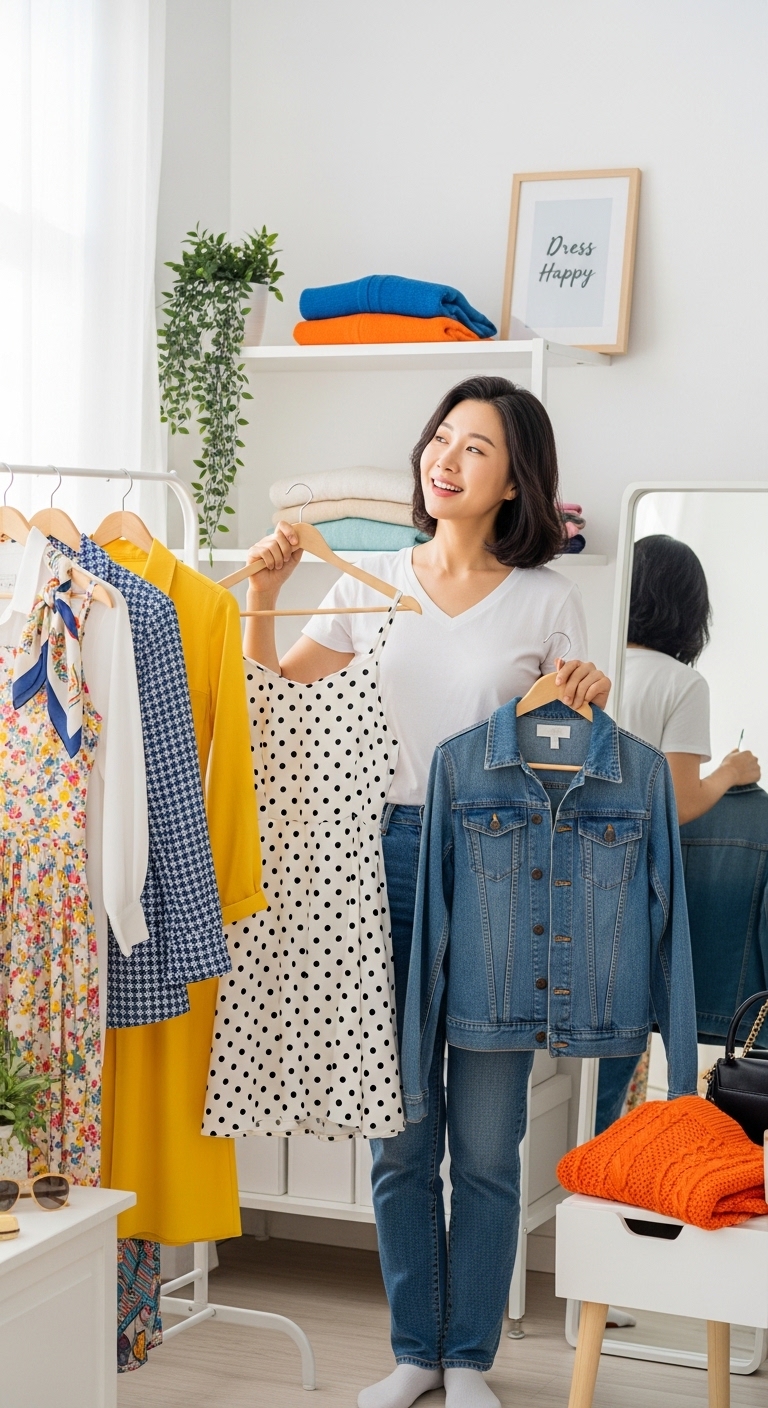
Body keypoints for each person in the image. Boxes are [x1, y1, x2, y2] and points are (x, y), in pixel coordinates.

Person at [243, 376, 610, 1408]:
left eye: (476, 447)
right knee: (398, 1131)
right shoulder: (363, 576)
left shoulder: (547, 599)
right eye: (440, 439)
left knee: (489, 1141)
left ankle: (469, 1360)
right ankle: (415, 1351)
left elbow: (573, 763)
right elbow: (284, 702)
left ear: (512, 481)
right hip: (385, 857)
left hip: (501, 863)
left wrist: (575, 700)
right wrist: (265, 598)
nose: (444, 459)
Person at [596, 533, 760, 1133]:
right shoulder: (681, 683)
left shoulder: (592, 664)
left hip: (565, 875)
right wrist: (731, 772)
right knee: (617, 1046)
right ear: (690, 610)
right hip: (629, 888)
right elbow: (680, 800)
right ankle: (606, 1172)